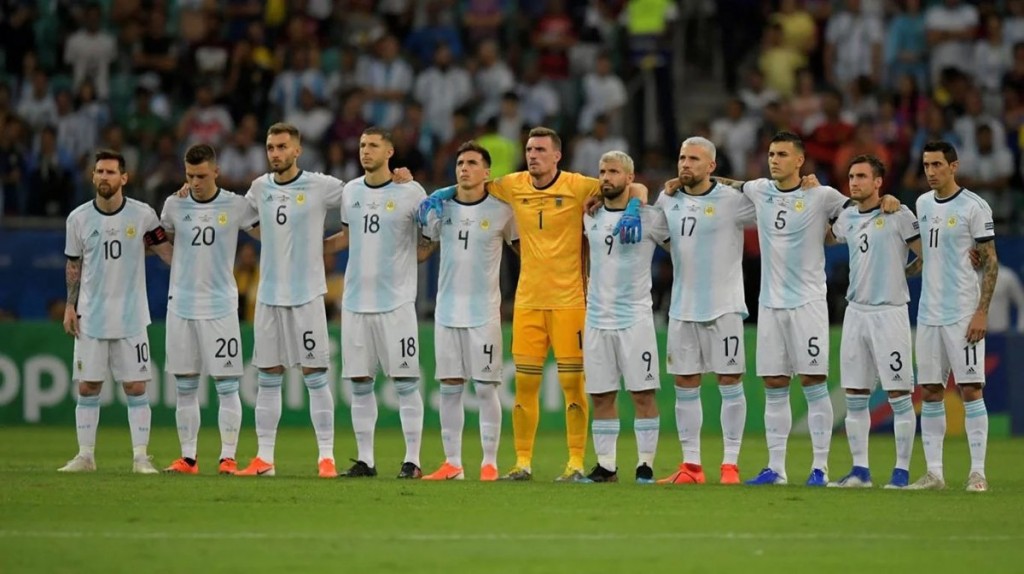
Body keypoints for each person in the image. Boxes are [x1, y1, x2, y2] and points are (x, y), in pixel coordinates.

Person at [419, 126, 647, 482]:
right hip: (527, 303)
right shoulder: (513, 185)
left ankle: (575, 462)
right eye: (529, 149)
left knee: (573, 387)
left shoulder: (578, 185)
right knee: (524, 388)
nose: (533, 155)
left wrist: (633, 205)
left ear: (557, 155)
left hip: (570, 302)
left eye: (540, 150)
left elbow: (634, 187)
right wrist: (443, 191)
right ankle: (522, 462)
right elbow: (474, 184)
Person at [234, 123, 344, 478]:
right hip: (269, 297)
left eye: (282, 147)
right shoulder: (259, 188)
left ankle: (326, 457)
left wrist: (328, 244)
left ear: (297, 150)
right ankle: (264, 459)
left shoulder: (320, 185)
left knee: (315, 375)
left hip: (307, 295)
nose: (276, 153)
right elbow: (243, 219)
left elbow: (361, 199)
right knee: (268, 376)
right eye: (270, 147)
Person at [59, 149, 173, 474]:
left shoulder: (143, 215)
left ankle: (140, 458)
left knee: (135, 387)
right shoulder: (78, 218)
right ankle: (85, 456)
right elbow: (74, 265)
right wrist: (70, 305)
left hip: (131, 316)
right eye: (100, 171)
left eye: (110, 172)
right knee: (87, 386)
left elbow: (166, 252)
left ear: (124, 177)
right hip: (90, 316)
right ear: (92, 176)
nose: (104, 177)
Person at [327, 127, 432, 479]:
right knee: (360, 383)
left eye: (373, 145)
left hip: (396, 304)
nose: (365, 150)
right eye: (362, 145)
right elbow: (347, 236)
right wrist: (312, 247)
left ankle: (412, 460)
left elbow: (428, 239)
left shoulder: (411, 192)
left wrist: (417, 255)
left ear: (389, 152)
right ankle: (366, 460)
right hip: (355, 302)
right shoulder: (351, 191)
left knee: (405, 381)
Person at [654, 137, 756, 486]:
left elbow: (773, 201)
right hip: (682, 307)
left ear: (712, 166)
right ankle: (692, 467)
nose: (685, 164)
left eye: (694, 159)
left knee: (729, 380)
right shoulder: (668, 199)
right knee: (685, 383)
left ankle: (730, 465)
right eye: (682, 157)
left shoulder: (732, 201)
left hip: (724, 307)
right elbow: (662, 236)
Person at [420, 141, 518, 481]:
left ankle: (489, 463)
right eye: (460, 163)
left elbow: (523, 251)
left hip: (484, 314)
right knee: (449, 387)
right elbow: (424, 247)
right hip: (447, 312)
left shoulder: (502, 211)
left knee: (486, 388)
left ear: (486, 172)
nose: (464, 168)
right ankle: (453, 464)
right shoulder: (442, 207)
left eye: (472, 163)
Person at [160, 144, 259, 475]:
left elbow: (265, 232)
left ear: (216, 171)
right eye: (190, 176)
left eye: (201, 176)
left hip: (220, 307)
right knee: (185, 385)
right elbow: (160, 242)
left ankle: (228, 457)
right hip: (181, 306)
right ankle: (188, 458)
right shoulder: (173, 205)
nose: (195, 182)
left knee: (227, 384)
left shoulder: (236, 205)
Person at [825, 155, 923, 489]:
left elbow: (926, 253)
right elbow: (827, 236)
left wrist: (903, 273)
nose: (854, 182)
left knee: (899, 393)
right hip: (856, 313)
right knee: (855, 393)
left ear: (878, 182)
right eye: (852, 176)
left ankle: (901, 473)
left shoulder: (898, 214)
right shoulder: (848, 217)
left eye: (862, 176)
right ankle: (860, 472)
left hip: (889, 313)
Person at [909, 141, 998, 492]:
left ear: (953, 166)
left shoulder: (974, 206)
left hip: (962, 312)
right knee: (930, 391)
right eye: (926, 165)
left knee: (971, 389)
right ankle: (935, 474)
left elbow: (990, 262)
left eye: (937, 165)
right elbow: (927, 257)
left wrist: (981, 312)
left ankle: (978, 473)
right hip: (928, 313)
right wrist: (898, 272)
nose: (931, 172)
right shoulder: (922, 203)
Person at [579, 151, 669, 484]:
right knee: (601, 395)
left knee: (643, 394)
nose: (606, 177)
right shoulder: (590, 215)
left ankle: (645, 465)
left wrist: (635, 204)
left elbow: (678, 249)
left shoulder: (650, 217)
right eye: (602, 171)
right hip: (597, 318)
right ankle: (606, 466)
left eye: (614, 171)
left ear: (629, 178)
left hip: (635, 319)